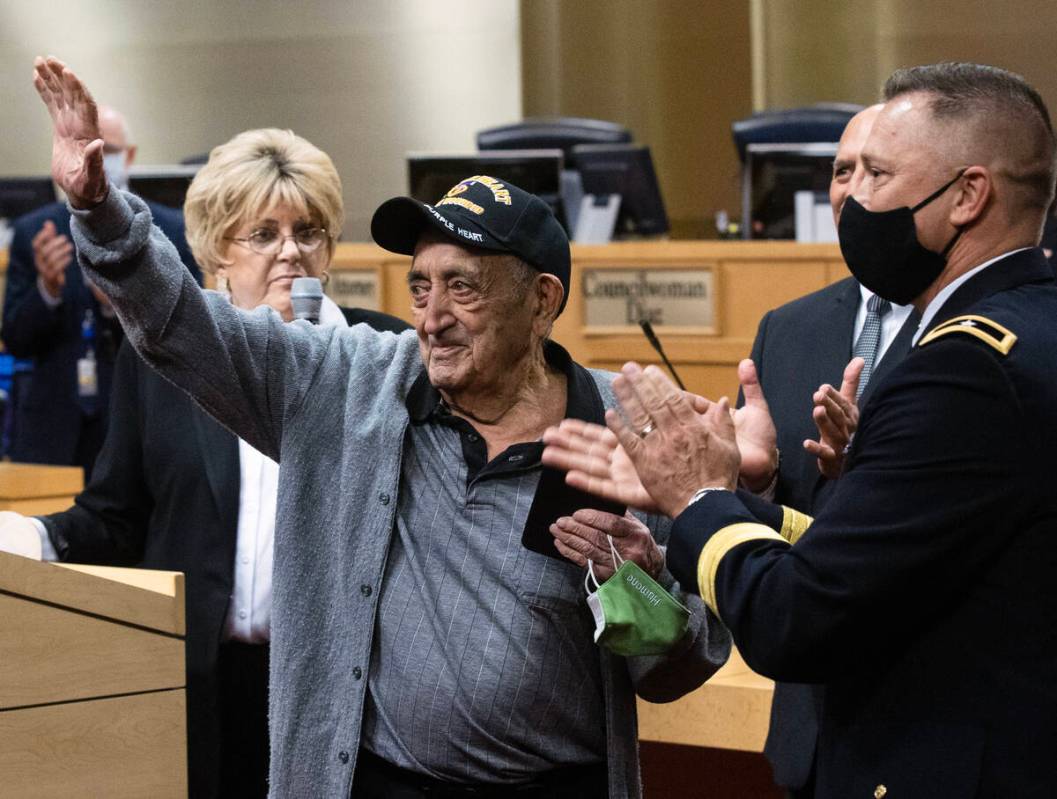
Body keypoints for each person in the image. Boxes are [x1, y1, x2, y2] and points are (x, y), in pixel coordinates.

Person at [29, 57, 729, 799]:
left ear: (542, 300)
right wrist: (102, 212)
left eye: (462, 287)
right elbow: (181, 325)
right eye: (420, 286)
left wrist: (644, 582)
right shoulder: (354, 382)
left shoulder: (624, 433)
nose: (430, 317)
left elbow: (671, 672)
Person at [543, 62, 1057, 797]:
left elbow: (801, 618)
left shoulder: (960, 369)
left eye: (877, 173)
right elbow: (889, 553)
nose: (853, 201)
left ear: (968, 196)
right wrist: (734, 497)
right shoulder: (1029, 326)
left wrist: (696, 501)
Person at [0, 128, 410, 798]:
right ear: (217, 248)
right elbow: (116, 514)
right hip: (195, 687)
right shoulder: (158, 360)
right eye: (263, 233)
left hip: (339, 692)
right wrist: (35, 537)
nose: (290, 251)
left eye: (309, 230)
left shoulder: (384, 357)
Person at [740, 104, 919, 799]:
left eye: (875, 169)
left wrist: (862, 467)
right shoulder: (786, 330)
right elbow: (778, 532)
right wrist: (749, 484)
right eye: (841, 170)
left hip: (922, 724)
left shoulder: (967, 331)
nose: (851, 186)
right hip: (809, 736)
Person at [1, 104, 199, 479]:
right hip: (53, 430)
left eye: (106, 151)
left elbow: (190, 331)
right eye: (85, 149)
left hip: (140, 421)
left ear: (130, 156)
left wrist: (123, 301)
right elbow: (15, 339)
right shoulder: (36, 231)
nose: (96, 161)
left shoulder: (169, 230)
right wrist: (48, 290)